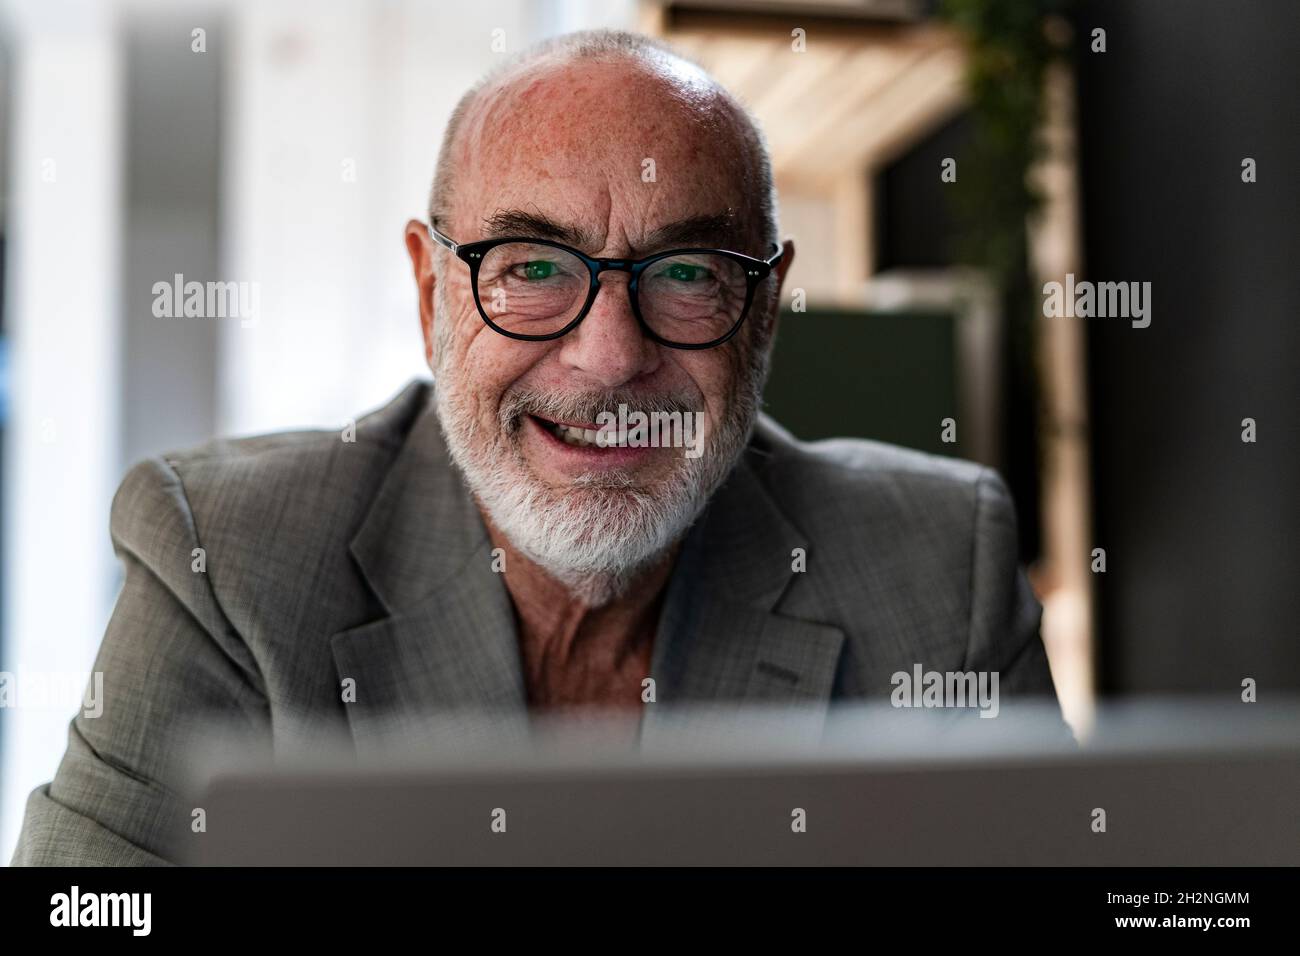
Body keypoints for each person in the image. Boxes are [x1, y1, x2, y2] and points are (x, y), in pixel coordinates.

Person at [13, 29, 1059, 866]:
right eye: (530, 266)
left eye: (687, 271)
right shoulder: (227, 557)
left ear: (766, 309)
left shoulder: (937, 564)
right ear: (432, 294)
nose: (608, 357)